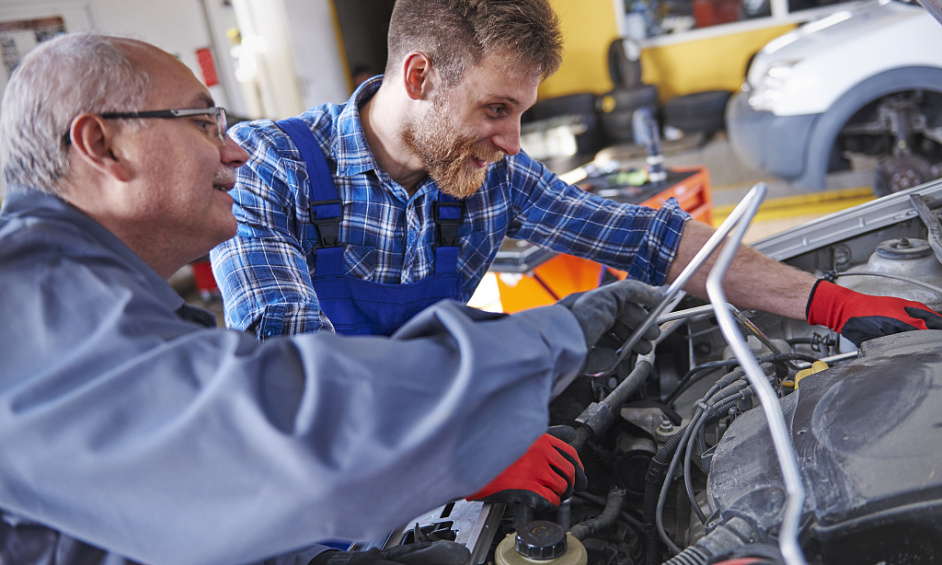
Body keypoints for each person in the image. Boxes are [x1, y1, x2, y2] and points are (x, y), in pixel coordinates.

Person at [0, 32, 664, 565]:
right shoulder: (31, 311)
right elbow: (287, 435)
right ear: (101, 144)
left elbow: (160, 516)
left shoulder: (113, 307)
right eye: (204, 123)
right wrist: (544, 344)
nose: (233, 151)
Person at [211, 0, 942, 350]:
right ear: (420, 75)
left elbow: (650, 239)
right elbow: (291, 369)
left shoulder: (491, 174)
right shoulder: (265, 169)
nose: (512, 141)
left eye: (522, 112)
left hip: (417, 417)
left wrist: (825, 300)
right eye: (496, 108)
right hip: (308, 486)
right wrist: (443, 451)